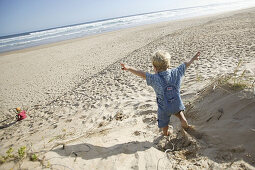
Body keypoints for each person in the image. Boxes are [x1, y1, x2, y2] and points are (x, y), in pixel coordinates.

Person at [121, 51, 200, 136]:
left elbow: (141, 74)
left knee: (164, 123)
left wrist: (128, 68)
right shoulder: (176, 72)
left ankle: (166, 133)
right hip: (176, 104)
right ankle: (185, 124)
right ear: (168, 64)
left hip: (164, 108)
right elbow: (185, 64)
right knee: (180, 115)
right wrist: (193, 59)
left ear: (154, 67)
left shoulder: (154, 78)